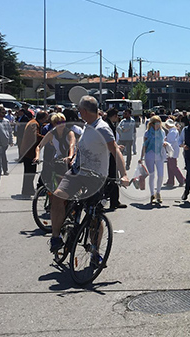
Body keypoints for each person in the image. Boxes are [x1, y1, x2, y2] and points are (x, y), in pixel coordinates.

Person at [49, 96, 130, 253]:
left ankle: (95, 251)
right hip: (77, 172)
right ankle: (55, 237)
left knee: (94, 215)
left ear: (84, 111)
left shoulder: (102, 128)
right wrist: (74, 157)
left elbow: (115, 150)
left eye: (79, 110)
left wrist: (124, 174)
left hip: (95, 178)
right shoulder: (87, 125)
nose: (78, 113)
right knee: (58, 196)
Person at [34, 112, 75, 194]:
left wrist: (70, 157)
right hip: (59, 158)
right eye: (58, 123)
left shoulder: (69, 133)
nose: (62, 125)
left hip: (72, 157)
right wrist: (37, 157)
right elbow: (39, 146)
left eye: (63, 122)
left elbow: (72, 146)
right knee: (53, 176)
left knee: (71, 180)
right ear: (54, 124)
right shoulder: (51, 134)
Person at [19, 111, 47, 197]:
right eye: (46, 118)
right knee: (30, 172)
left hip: (28, 151)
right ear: (42, 118)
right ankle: (27, 190)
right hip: (29, 151)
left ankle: (28, 189)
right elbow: (35, 135)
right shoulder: (34, 124)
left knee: (30, 172)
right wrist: (47, 137)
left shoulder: (33, 122)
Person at [142, 115, 167, 204]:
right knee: (152, 175)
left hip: (159, 155)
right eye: (155, 123)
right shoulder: (147, 133)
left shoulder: (162, 132)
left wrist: (164, 144)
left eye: (159, 123)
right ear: (151, 124)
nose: (157, 125)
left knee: (160, 175)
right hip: (149, 154)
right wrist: (141, 158)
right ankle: (152, 194)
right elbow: (144, 145)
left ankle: (158, 193)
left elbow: (163, 141)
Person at [164, 117, 185, 187]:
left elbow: (171, 141)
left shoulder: (172, 131)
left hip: (172, 150)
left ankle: (181, 179)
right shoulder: (172, 131)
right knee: (170, 165)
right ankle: (170, 180)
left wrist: (165, 142)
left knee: (173, 166)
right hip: (171, 150)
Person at [0, 105, 14, 175]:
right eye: (2, 113)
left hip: (4, 142)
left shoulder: (6, 121)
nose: (4, 114)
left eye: (5, 113)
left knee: (3, 156)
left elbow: (9, 131)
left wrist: (11, 141)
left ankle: (5, 170)